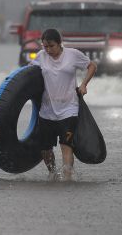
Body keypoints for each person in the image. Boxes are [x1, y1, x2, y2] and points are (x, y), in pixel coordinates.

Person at [30, 28, 97, 181]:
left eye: (51, 46)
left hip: (69, 109)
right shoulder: (41, 56)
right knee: (45, 149)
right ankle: (53, 174)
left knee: (66, 145)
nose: (48, 50)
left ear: (60, 43)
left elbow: (92, 65)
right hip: (47, 110)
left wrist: (84, 84)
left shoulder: (73, 55)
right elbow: (29, 74)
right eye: (45, 46)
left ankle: (67, 178)